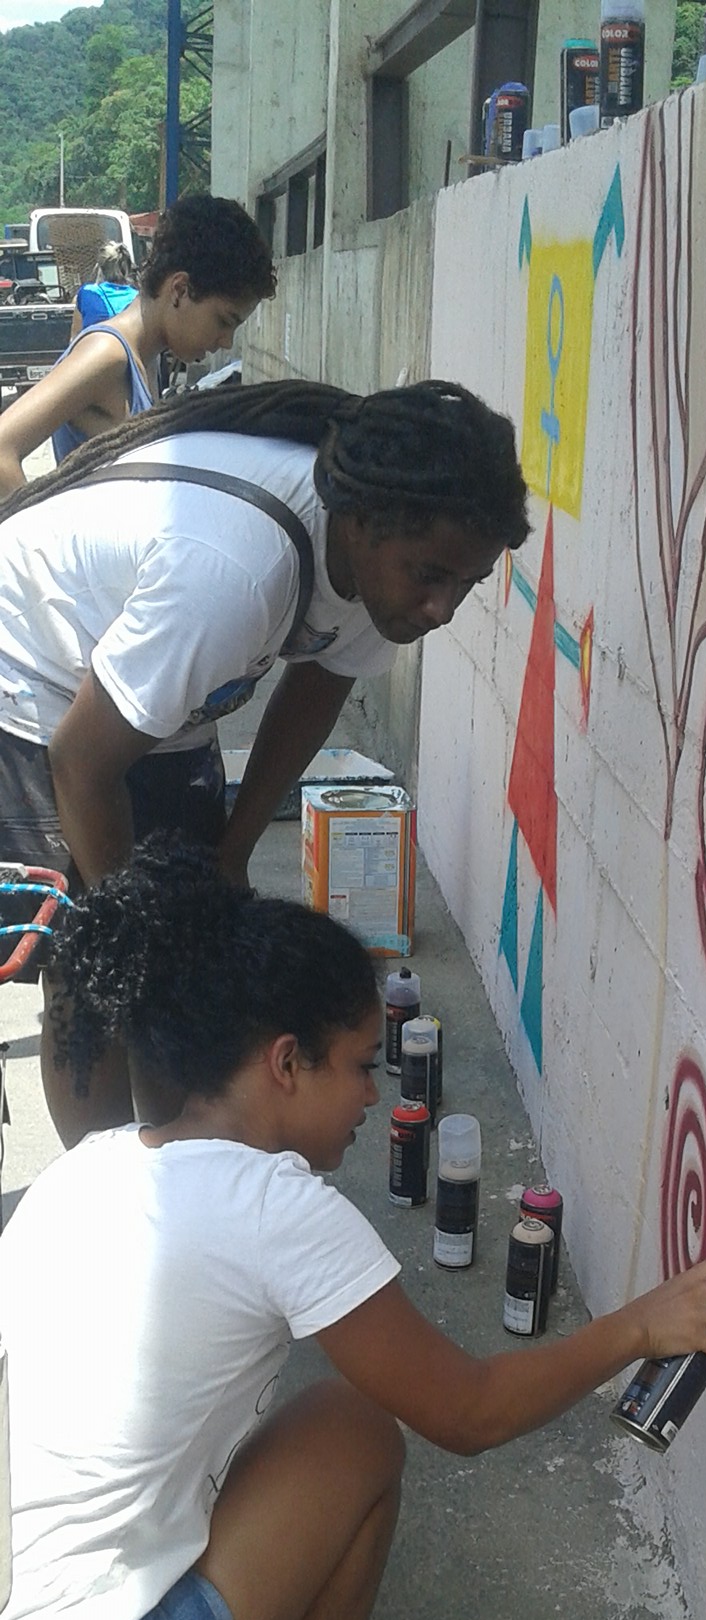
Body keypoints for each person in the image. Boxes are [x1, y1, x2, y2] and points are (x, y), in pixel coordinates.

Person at [0, 840, 706, 1620]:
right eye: (359, 1064)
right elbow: (469, 1413)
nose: (372, 1093)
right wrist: (638, 1325)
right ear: (285, 1062)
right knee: (357, 1431)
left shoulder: (81, 1172)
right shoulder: (279, 1210)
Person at [0, 374, 530, 1143]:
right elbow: (82, 761)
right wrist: (134, 928)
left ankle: (181, 1168)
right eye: (431, 577)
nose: (442, 609)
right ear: (362, 523)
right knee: (101, 967)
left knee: (189, 958)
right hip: (30, 683)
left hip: (143, 697)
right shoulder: (236, 572)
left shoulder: (379, 564)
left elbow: (320, 684)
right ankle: (109, 1189)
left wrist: (234, 850)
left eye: (468, 583)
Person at [0, 194, 276, 500]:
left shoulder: (147, 359)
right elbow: (2, 449)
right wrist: (44, 529)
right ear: (180, 290)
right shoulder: (108, 354)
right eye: (224, 321)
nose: (226, 341)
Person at [70, 241, 139, 337]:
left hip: (94, 346)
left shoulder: (87, 293)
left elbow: (75, 336)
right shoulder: (139, 298)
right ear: (127, 269)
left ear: (100, 269)